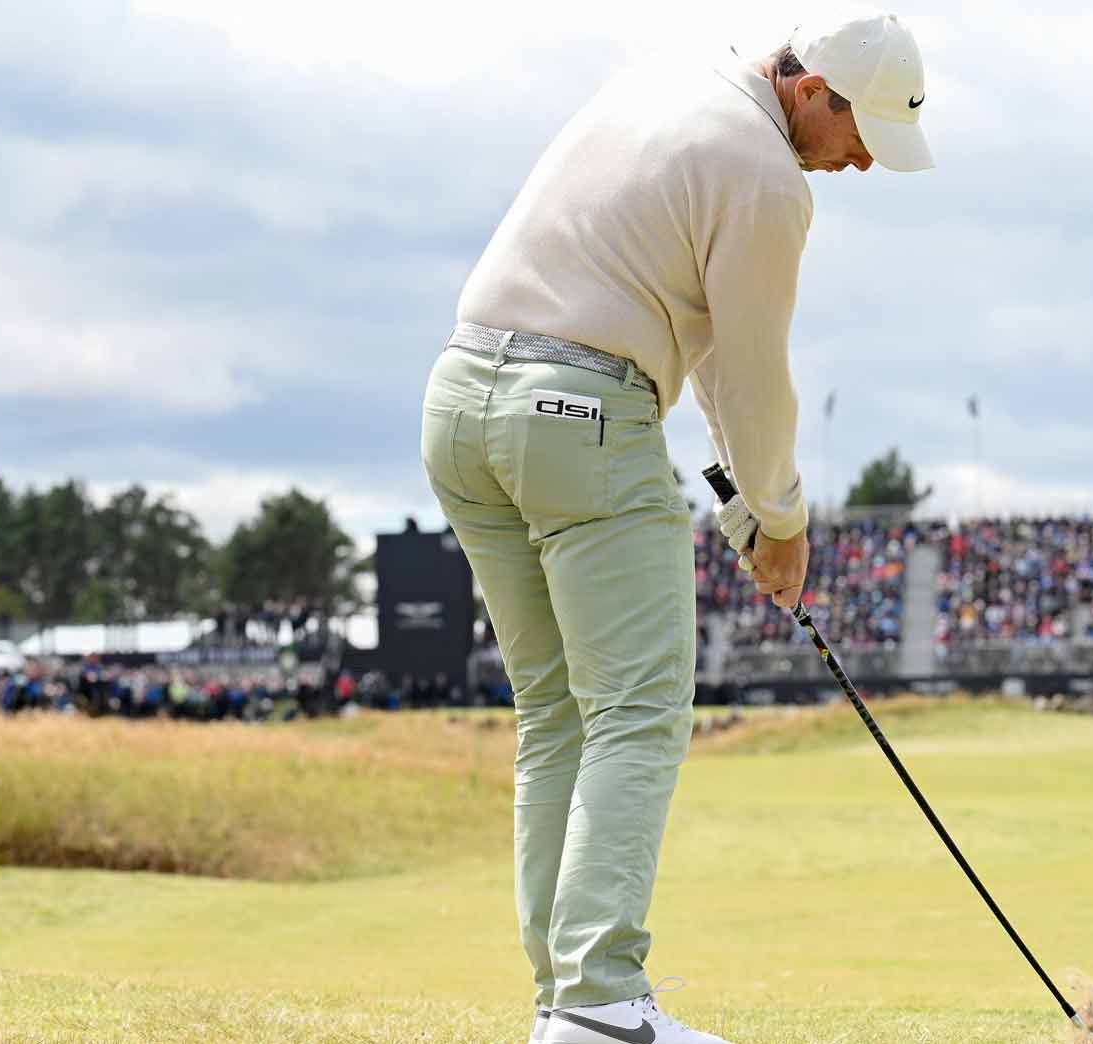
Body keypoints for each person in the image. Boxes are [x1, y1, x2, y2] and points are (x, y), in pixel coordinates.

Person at [420, 13, 933, 1044]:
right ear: (811, 91)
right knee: (638, 709)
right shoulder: (764, 176)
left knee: (558, 715)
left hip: (460, 405)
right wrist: (780, 523)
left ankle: (566, 1004)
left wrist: (745, 506)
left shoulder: (669, 82)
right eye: (861, 132)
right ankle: (598, 1002)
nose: (865, 160)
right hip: (578, 413)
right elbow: (750, 374)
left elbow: (693, 343)